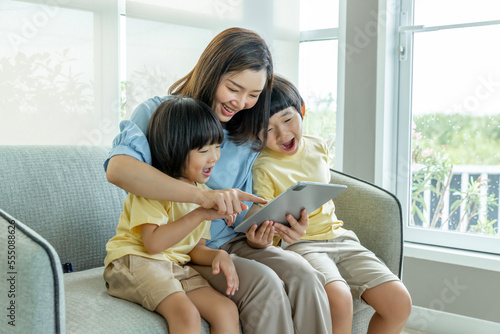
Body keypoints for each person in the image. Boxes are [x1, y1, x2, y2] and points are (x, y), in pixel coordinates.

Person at [105, 27, 332, 334]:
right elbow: (119, 170)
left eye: (253, 95)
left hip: (231, 242)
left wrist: (275, 225)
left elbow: (244, 208)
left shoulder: (248, 129)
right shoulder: (161, 114)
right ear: (213, 71)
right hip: (187, 247)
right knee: (265, 284)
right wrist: (202, 198)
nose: (241, 102)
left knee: (304, 275)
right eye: (234, 88)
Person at [250, 75, 413, 334]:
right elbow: (266, 219)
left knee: (399, 302)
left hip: (340, 237)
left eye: (288, 119)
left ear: (302, 111)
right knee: (338, 298)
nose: (282, 133)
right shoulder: (263, 166)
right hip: (300, 245)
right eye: (268, 129)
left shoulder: (318, 145)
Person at [104, 97, 240, 333]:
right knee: (186, 314)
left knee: (226, 310)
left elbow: (194, 249)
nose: (214, 157)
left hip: (173, 266)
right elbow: (154, 244)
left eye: (217, 146)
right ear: (176, 150)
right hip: (133, 261)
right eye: (204, 150)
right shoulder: (153, 189)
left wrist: (218, 256)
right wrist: (199, 214)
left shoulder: (204, 194)